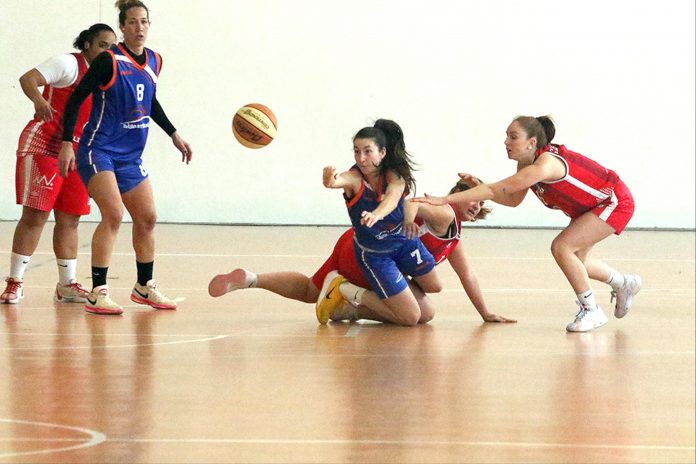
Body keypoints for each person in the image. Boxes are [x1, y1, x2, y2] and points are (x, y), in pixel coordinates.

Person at [414, 115, 641, 332]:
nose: (506, 141)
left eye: (513, 137)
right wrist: (477, 188)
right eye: (506, 136)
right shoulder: (526, 164)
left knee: (562, 247)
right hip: (590, 207)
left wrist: (444, 199)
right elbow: (512, 199)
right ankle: (623, 283)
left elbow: (495, 189)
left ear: (531, 143)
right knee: (576, 261)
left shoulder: (545, 165)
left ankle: (591, 310)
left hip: (613, 200)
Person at [208, 179, 517, 324]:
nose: (477, 205)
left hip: (359, 244)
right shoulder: (443, 213)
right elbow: (410, 203)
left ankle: (250, 278)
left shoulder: (454, 236)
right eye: (473, 198)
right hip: (373, 255)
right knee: (413, 315)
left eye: (480, 203)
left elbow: (469, 276)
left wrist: (486, 313)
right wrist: (409, 220)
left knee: (309, 290)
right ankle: (346, 296)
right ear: (456, 194)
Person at [58, 0, 192, 315]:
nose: (139, 28)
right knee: (114, 214)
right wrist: (67, 143)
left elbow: (149, 100)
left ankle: (144, 286)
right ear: (122, 27)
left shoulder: (156, 61)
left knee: (147, 218)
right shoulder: (109, 61)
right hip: (98, 149)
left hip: (130, 156)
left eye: (144, 22)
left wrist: (174, 133)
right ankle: (98, 292)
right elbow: (76, 99)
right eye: (132, 22)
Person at [1, 24, 117, 305]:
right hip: (46, 145)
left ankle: (67, 285)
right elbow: (28, 78)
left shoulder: (108, 76)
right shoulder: (68, 64)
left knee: (70, 219)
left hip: (80, 153)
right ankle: (15, 282)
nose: (108, 52)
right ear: (87, 44)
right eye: (102, 45)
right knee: (36, 216)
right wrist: (39, 99)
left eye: (112, 47)